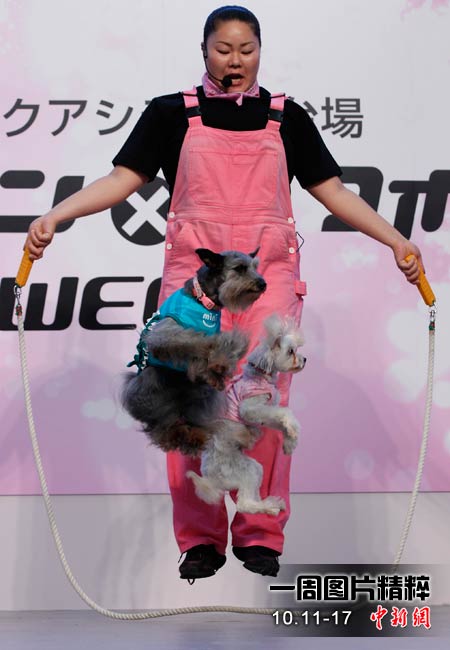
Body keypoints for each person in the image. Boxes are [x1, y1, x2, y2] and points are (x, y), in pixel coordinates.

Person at [24, 6, 424, 581]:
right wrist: (56, 216)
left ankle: (260, 533)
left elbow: (333, 191)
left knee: (261, 400)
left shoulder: (287, 118)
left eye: (246, 50)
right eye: (223, 50)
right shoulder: (170, 113)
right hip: (195, 285)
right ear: (204, 50)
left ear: (260, 51)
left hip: (267, 281)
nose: (235, 61)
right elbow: (121, 180)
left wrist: (395, 240)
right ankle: (200, 540)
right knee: (185, 405)